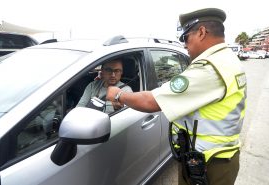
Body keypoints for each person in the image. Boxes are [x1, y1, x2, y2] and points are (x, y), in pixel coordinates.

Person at [106, 8, 247, 185]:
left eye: (185, 38)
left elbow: (151, 102)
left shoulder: (208, 70)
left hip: (209, 164)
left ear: (202, 32)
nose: (184, 45)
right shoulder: (228, 59)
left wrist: (117, 94)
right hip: (221, 155)